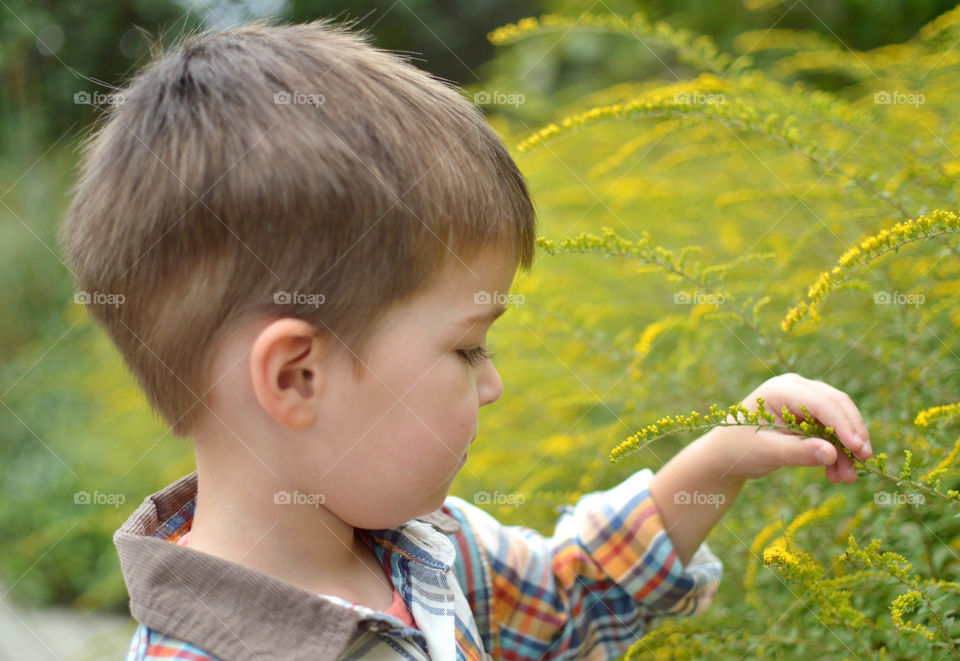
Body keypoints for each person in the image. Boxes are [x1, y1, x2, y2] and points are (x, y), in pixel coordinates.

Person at [58, 17, 872, 661]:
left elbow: (573, 591)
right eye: (468, 346)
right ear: (298, 377)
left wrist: (718, 457)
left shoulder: (430, 553)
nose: (493, 383)